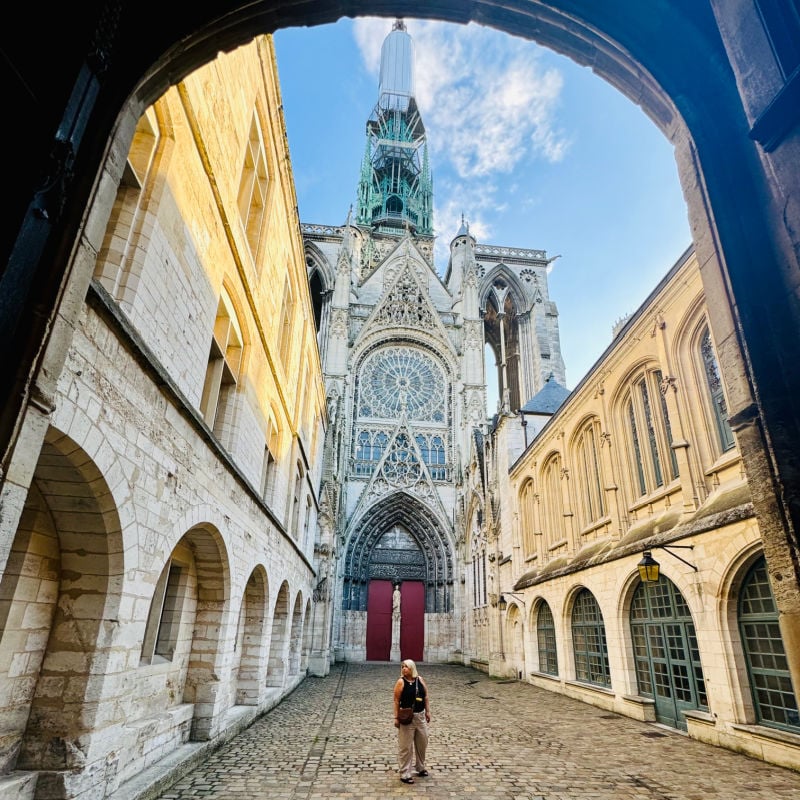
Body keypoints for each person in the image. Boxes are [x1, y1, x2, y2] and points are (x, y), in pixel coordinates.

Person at [393, 659, 430, 784]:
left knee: (422, 743)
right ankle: (405, 773)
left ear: (412, 668)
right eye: (402, 667)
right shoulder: (400, 682)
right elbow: (396, 701)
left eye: (406, 667)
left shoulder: (420, 680)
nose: (404, 669)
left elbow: (425, 696)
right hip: (407, 718)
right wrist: (396, 717)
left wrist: (428, 712)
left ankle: (420, 767)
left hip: (420, 717)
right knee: (406, 747)